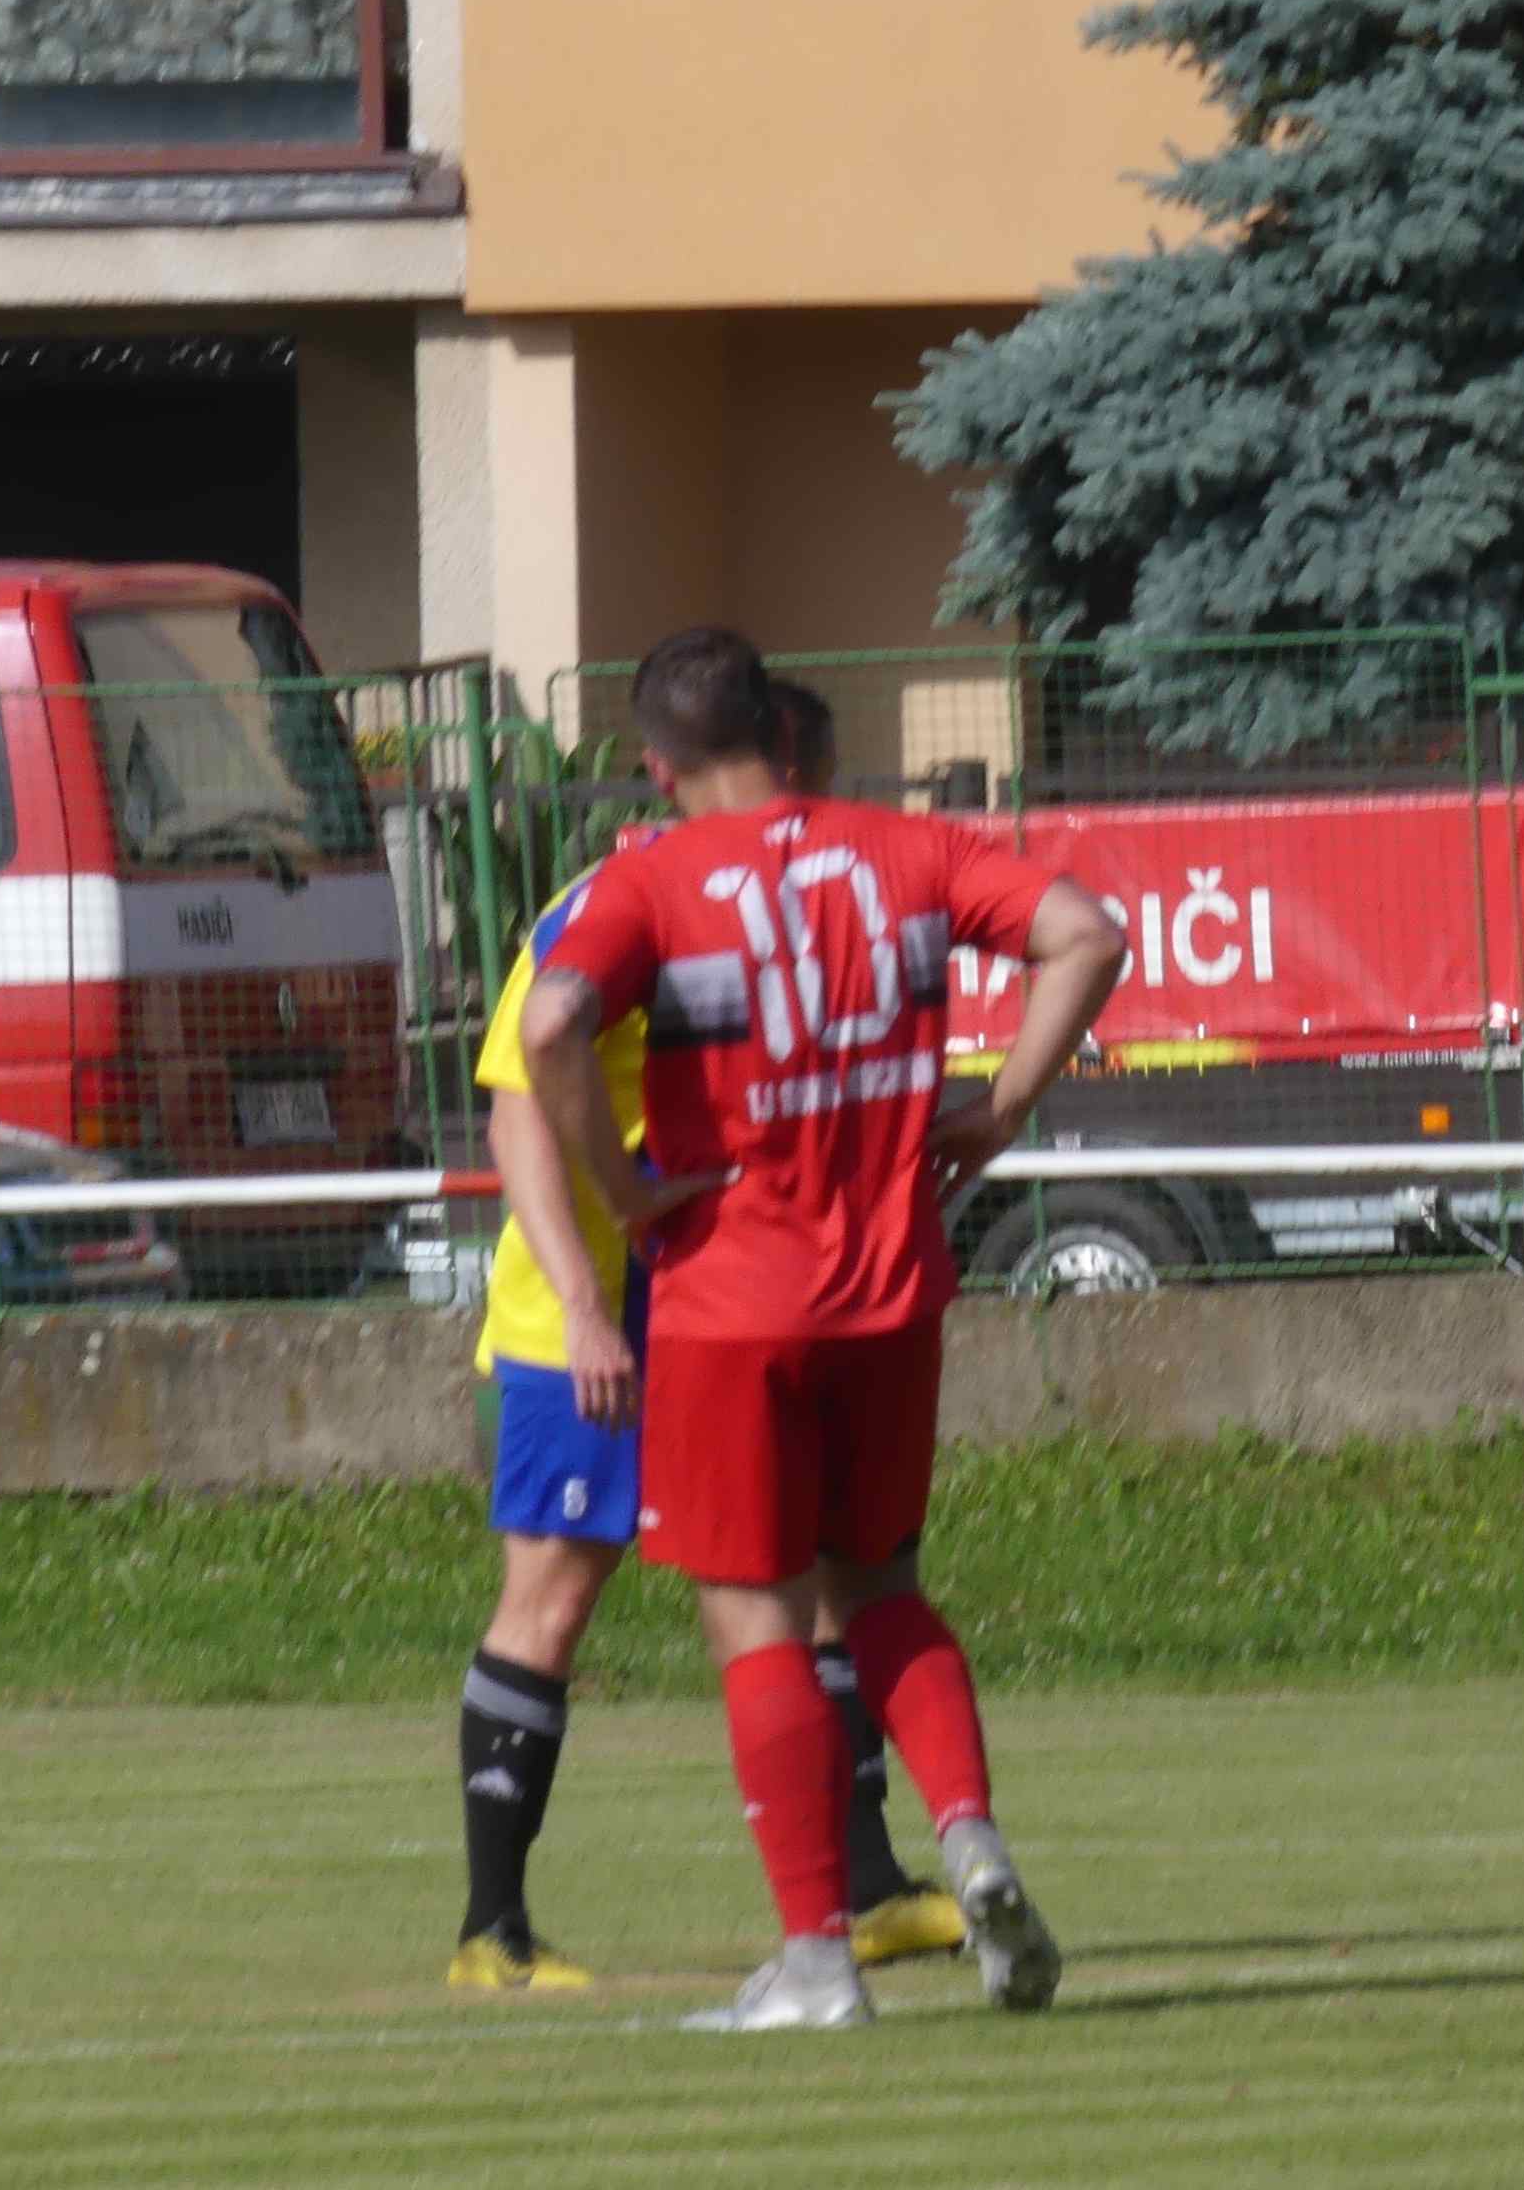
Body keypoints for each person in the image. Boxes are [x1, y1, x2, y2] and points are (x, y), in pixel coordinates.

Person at [518, 627, 1127, 2031]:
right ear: (782, 735)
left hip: (732, 1304)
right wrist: (1005, 1104)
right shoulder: (908, 850)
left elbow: (551, 1025)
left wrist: (624, 1191)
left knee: (757, 1623)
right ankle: (969, 1836)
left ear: (654, 764)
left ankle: (813, 1962)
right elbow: (1087, 934)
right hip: (891, 1294)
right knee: (884, 1592)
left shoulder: (650, 878)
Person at [450, 685, 971, 1991]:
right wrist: (584, 1305)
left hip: (735, 1291)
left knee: (808, 1581)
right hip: (588, 1309)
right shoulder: (611, 902)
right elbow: (518, 1112)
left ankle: (865, 1890)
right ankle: (491, 1931)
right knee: (557, 1596)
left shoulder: (785, 898)